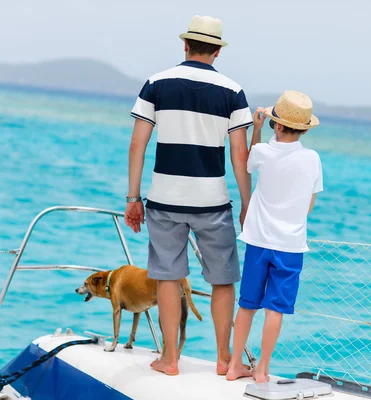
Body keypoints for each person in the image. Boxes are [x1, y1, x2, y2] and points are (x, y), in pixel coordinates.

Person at [124, 15, 253, 376]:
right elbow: (239, 155)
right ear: (217, 50)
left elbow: (138, 143)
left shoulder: (156, 84)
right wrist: (246, 204)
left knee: (167, 276)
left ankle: (169, 359)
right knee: (223, 279)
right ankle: (225, 359)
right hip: (212, 202)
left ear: (185, 45)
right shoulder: (232, 91)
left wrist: (133, 197)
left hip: (164, 200)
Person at [226, 91, 323, 383]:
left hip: (258, 241)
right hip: (290, 246)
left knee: (247, 305)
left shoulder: (262, 152)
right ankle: (262, 369)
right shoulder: (312, 158)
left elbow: (248, 162)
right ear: (304, 128)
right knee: (275, 310)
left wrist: (256, 127)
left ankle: (233, 366)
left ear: (276, 125)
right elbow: (310, 203)